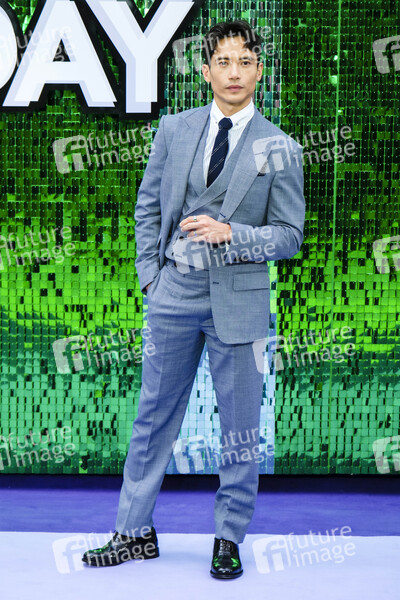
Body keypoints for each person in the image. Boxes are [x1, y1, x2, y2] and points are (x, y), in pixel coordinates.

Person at [82, 19, 305, 579]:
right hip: (173, 293)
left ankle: (228, 537)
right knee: (153, 417)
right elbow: (148, 207)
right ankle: (133, 531)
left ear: (259, 71)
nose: (235, 72)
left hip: (240, 300)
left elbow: (289, 237)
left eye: (245, 62)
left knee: (240, 428)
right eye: (223, 62)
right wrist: (150, 280)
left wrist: (235, 234)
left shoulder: (281, 147)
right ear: (205, 71)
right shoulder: (174, 130)